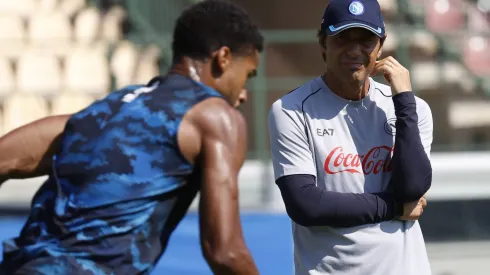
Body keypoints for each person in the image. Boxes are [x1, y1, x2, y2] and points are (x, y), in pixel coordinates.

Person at [0, 1, 263, 274]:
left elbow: (4, 159)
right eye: (247, 76)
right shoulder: (214, 116)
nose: (243, 94)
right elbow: (225, 252)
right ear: (223, 58)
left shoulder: (100, 111)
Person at [268, 0, 433, 274]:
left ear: (381, 45)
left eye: (366, 39)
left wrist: (404, 99)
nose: (355, 49)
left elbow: (412, 189)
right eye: (343, 37)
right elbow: (306, 205)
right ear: (323, 42)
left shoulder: (410, 108)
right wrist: (394, 207)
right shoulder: (291, 110)